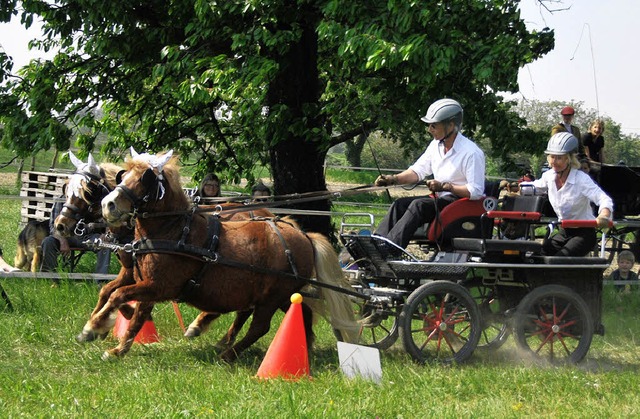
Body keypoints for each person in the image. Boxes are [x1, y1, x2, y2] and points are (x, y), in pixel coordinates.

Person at [374, 98, 485, 249]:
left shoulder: (471, 153)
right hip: (439, 200)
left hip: (458, 202)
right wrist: (393, 179)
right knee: (399, 204)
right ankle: (376, 244)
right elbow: (418, 171)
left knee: (418, 206)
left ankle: (390, 249)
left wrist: (446, 187)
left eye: (434, 125)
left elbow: (476, 191)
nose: (429, 129)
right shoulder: (435, 146)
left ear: (451, 125)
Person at [521, 132, 613, 257]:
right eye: (552, 157)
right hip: (564, 232)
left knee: (560, 260)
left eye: (559, 158)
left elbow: (603, 198)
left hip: (584, 234)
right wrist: (517, 186)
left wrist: (604, 214)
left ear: (569, 159)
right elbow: (534, 187)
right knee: (538, 256)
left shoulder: (581, 179)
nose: (554, 161)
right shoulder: (549, 176)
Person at [40, 186, 111, 274]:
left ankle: (101, 280)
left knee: (104, 244)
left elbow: (108, 220)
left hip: (88, 236)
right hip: (65, 236)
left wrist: (106, 233)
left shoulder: (94, 200)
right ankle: (49, 277)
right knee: (48, 242)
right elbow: (52, 226)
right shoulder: (61, 200)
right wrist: (62, 240)